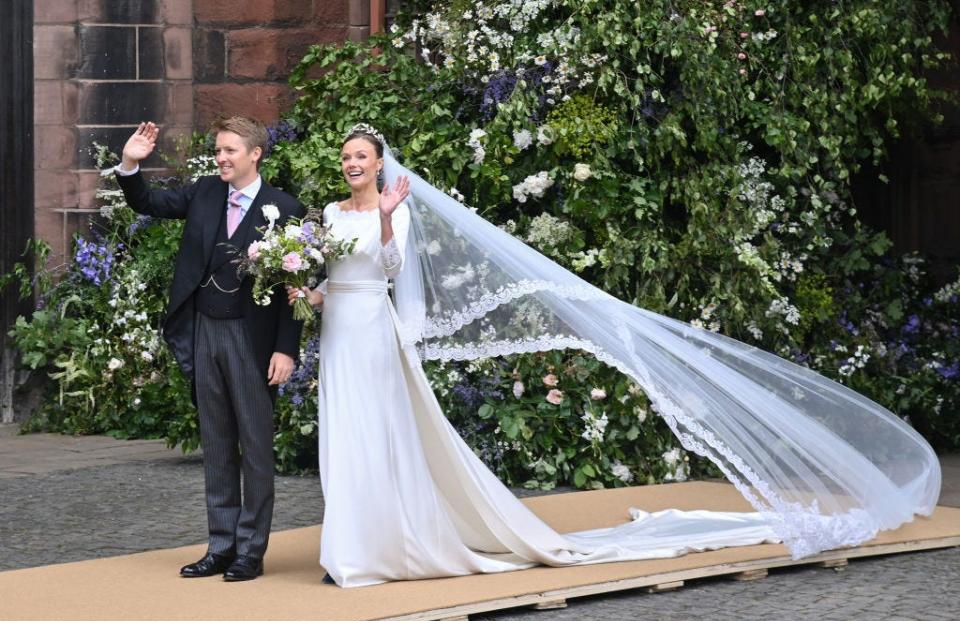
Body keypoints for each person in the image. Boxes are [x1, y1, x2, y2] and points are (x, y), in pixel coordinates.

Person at [291, 124, 940, 588]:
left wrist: (383, 218)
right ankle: (345, 545)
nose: (352, 164)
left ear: (379, 164)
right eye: (346, 157)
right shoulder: (325, 211)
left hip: (376, 332)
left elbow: (391, 267)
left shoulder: (392, 210)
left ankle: (371, 551)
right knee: (341, 436)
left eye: (361, 156)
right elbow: (336, 281)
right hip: (341, 331)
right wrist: (302, 288)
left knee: (377, 434)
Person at [116, 117, 304, 581]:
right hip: (205, 331)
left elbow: (293, 290)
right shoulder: (203, 192)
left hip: (252, 338)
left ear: (255, 153)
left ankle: (249, 552)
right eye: (218, 150)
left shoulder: (284, 207)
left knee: (256, 448)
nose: (220, 158)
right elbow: (148, 202)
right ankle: (220, 546)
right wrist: (130, 164)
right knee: (217, 443)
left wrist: (286, 349)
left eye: (229, 151)